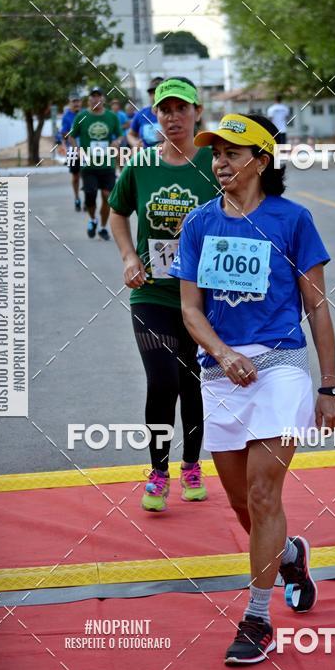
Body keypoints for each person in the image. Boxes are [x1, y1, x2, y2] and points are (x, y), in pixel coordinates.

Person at [169, 112, 335, 665]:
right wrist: (222, 353)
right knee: (245, 506)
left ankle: (258, 618)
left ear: (261, 161)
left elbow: (316, 306)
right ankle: (290, 554)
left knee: (267, 495)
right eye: (214, 153)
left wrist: (330, 386)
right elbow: (190, 310)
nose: (219, 162)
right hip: (222, 373)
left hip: (282, 367)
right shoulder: (198, 224)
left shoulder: (294, 220)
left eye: (231, 153)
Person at [109, 77, 219, 511]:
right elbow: (118, 214)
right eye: (164, 110)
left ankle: (191, 464)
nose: (172, 117)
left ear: (197, 113)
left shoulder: (215, 161)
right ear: (155, 116)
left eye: (181, 108)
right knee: (163, 379)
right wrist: (128, 258)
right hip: (151, 295)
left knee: (193, 381)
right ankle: (158, 472)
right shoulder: (140, 165)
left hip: (202, 298)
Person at [68, 87, 122, 241]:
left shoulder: (112, 117)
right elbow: (71, 136)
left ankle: (103, 228)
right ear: (89, 99)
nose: (96, 99)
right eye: (93, 96)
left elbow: (119, 135)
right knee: (90, 195)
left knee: (107, 196)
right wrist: (77, 150)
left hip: (107, 165)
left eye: (98, 96)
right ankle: (93, 220)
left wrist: (116, 143)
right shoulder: (82, 117)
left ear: (103, 99)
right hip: (88, 165)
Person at [56, 93, 83, 211]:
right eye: (73, 102)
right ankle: (77, 198)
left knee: (87, 175)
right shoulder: (67, 116)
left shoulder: (85, 114)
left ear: (81, 102)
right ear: (70, 103)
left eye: (77, 101)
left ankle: (88, 199)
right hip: (72, 150)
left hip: (86, 150)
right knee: (75, 176)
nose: (76, 104)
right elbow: (64, 134)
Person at [127, 77, 164, 149]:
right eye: (152, 93)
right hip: (146, 156)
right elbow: (130, 135)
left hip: (167, 156)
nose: (155, 95)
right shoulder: (141, 114)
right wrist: (135, 143)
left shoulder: (173, 115)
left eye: (159, 92)